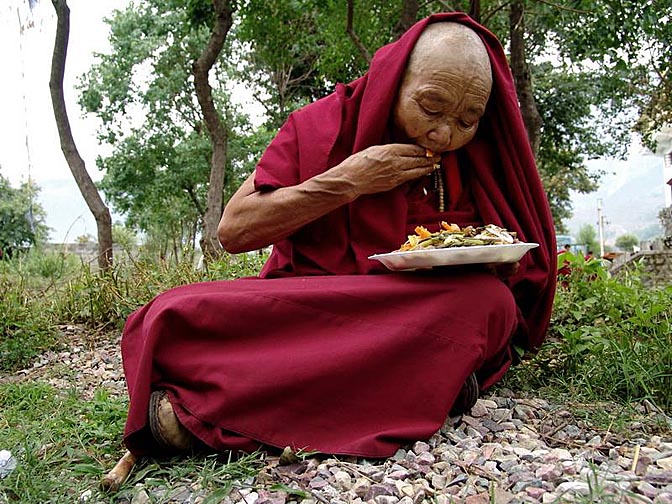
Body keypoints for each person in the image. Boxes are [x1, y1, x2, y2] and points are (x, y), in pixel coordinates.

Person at [120, 12, 556, 459]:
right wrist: (349, 180)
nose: (444, 133)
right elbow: (234, 230)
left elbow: (516, 269)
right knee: (174, 313)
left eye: (467, 120)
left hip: (421, 309)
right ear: (394, 80)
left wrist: (496, 261)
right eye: (430, 107)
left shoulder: (480, 155)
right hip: (321, 305)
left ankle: (199, 419)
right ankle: (429, 380)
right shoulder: (323, 124)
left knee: (490, 303)